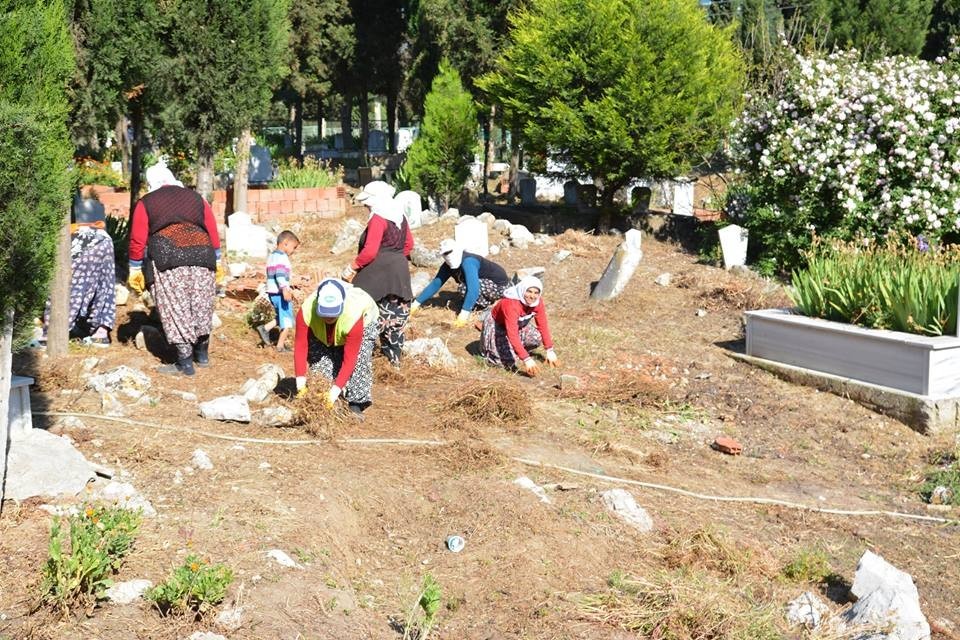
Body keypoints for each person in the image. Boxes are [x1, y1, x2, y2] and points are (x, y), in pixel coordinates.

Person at [127, 162, 222, 376]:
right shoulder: (196, 198)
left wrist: (134, 267)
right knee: (201, 302)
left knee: (175, 306)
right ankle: (202, 354)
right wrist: (218, 257)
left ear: (151, 182)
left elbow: (137, 238)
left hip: (168, 257)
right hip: (202, 253)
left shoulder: (147, 202)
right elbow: (211, 227)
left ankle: (184, 362)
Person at [340, 192, 414, 365]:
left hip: (376, 274)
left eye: (367, 204)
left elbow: (370, 251)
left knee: (363, 312)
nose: (367, 208)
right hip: (400, 273)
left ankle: (359, 361)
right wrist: (394, 258)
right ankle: (393, 361)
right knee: (395, 317)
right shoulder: (400, 216)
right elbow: (409, 244)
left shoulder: (378, 218)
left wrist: (351, 267)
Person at [294, 278, 379, 414]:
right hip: (321, 332)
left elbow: (350, 359)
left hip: (365, 321)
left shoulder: (353, 314)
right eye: (325, 313)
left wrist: (333, 393)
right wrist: (300, 385)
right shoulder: (306, 311)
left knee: (360, 359)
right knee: (320, 365)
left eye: (333, 313)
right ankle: (329, 396)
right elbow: (300, 347)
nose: (328, 317)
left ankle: (356, 403)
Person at [53, 198, 116, 345]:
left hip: (78, 243)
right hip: (104, 241)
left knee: (71, 287)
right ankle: (101, 333)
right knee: (105, 286)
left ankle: (53, 332)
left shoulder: (70, 233)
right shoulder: (105, 236)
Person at [410, 239, 510, 327]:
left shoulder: (468, 261)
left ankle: (485, 307)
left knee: (464, 288)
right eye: (445, 253)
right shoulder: (447, 265)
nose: (447, 256)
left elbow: (473, 289)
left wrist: (464, 314)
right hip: (484, 285)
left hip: (500, 287)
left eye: (449, 252)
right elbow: (436, 283)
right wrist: (416, 303)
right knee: (464, 288)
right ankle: (474, 304)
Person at [480, 276, 559, 376]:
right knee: (504, 362)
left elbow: (543, 325)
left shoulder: (537, 303)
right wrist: (526, 359)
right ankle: (488, 347)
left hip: (518, 325)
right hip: (498, 325)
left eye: (536, 293)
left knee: (536, 338)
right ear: (522, 290)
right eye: (529, 291)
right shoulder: (511, 304)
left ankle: (516, 348)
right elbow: (512, 333)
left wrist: (549, 349)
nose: (532, 296)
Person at [256, 230, 300, 352]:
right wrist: (285, 289)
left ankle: (265, 328)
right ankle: (280, 346)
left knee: (282, 316)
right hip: (280, 292)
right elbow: (280, 275)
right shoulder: (282, 257)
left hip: (272, 292)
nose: (294, 251)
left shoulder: (272, 256)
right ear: (285, 243)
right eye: (294, 247)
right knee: (287, 320)